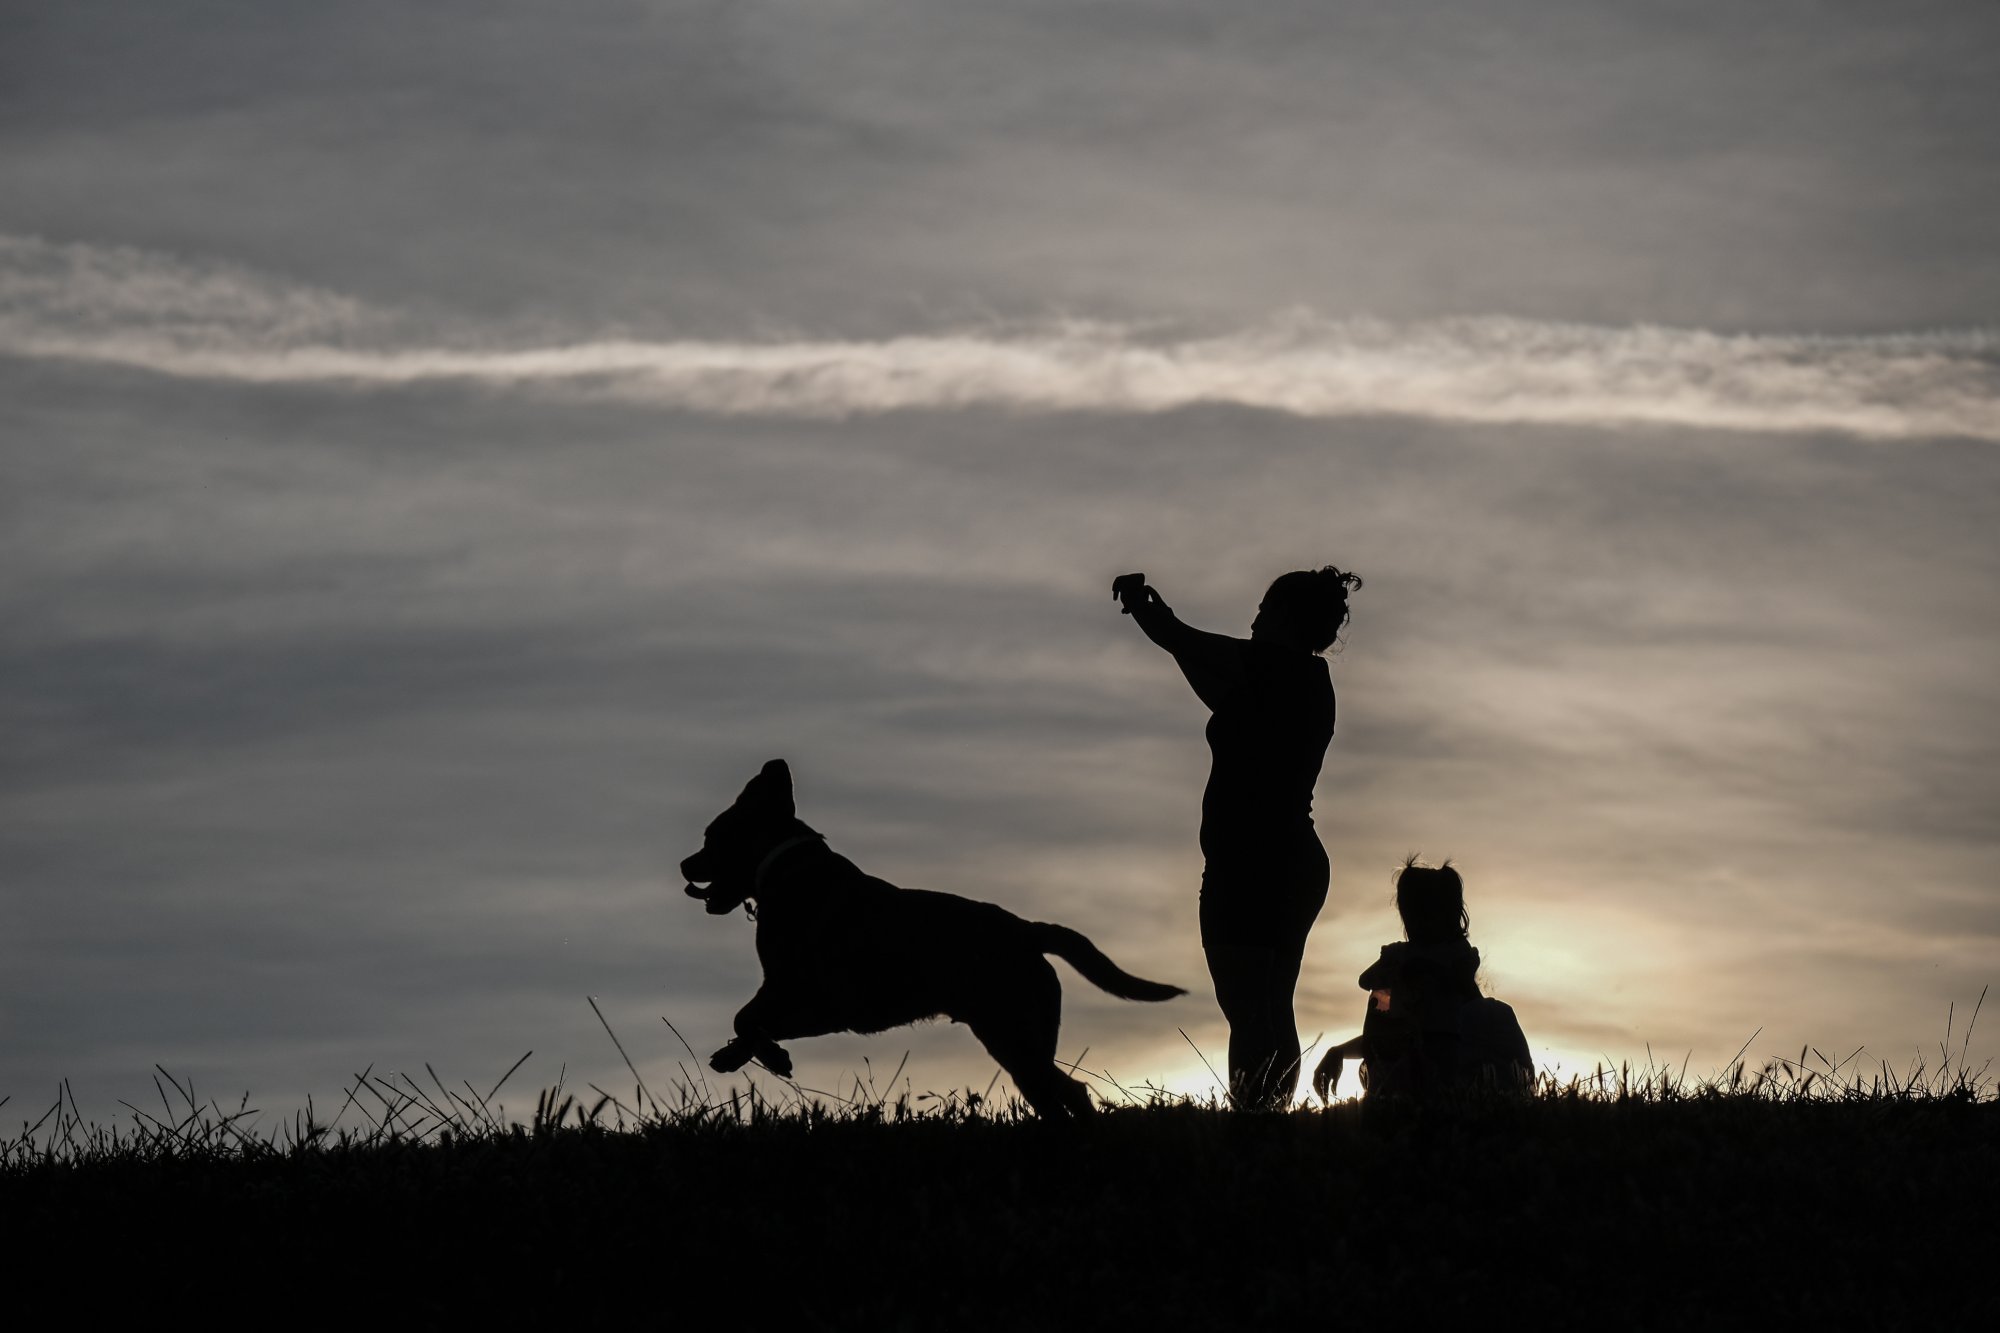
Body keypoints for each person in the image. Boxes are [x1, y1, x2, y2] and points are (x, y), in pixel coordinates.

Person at [1115, 566, 1361, 1109]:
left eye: (1263, 610)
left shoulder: (1274, 668)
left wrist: (1145, 605)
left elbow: (1184, 641)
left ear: (1283, 619)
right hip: (1289, 858)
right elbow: (1198, 663)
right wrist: (1163, 627)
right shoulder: (1298, 682)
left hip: (1252, 861)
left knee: (1249, 1008)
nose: (1252, 621)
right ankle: (1268, 1120)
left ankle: (1255, 1122)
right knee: (1271, 1004)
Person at [1312, 858, 1532, 1102]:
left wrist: (1423, 970)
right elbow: (1368, 984)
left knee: (1491, 1014)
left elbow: (1468, 1012)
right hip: (1410, 1057)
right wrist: (1403, 966)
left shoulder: (1455, 958)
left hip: (1446, 1060)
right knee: (1386, 1004)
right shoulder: (1403, 959)